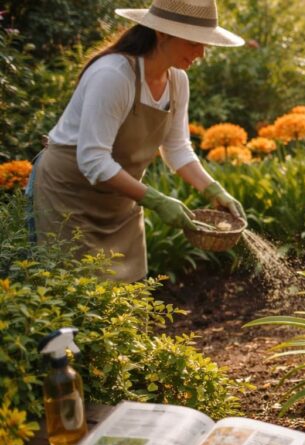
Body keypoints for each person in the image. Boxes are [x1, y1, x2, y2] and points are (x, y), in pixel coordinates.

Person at [27, 0, 246, 283]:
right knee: (74, 298)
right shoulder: (113, 75)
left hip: (122, 201)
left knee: (129, 300)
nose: (202, 53)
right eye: (195, 42)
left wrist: (215, 190)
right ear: (163, 34)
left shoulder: (177, 81)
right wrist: (155, 199)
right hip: (69, 198)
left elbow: (177, 148)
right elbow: (93, 160)